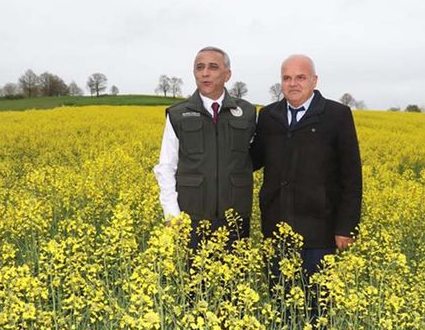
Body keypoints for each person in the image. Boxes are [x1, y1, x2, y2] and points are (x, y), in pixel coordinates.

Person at [251, 54, 362, 277]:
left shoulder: (337, 115)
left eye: (300, 77)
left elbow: (351, 177)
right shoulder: (268, 116)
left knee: (319, 305)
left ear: (314, 80)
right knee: (281, 306)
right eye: (287, 78)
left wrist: (346, 228)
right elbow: (252, 160)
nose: (293, 84)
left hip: (320, 231)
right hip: (276, 229)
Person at [154, 46, 256, 249]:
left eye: (213, 67)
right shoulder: (178, 114)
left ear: (227, 74)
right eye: (199, 67)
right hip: (191, 218)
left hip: (235, 218)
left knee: (235, 279)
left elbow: (255, 156)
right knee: (194, 278)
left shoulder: (247, 112)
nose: (205, 73)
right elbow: (166, 166)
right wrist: (172, 214)